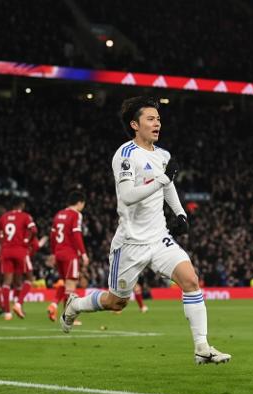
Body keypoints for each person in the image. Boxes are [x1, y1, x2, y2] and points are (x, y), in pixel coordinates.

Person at [60, 96, 231, 364]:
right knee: (116, 302)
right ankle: (75, 305)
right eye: (150, 119)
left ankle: (202, 347)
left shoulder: (162, 155)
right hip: (130, 243)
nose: (157, 123)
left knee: (191, 280)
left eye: (158, 119)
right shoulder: (126, 155)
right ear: (134, 124)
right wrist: (162, 179)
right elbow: (128, 196)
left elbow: (168, 186)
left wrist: (180, 213)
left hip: (159, 238)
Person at [46, 191, 90, 321]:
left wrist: (53, 253)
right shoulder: (76, 215)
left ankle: (54, 305)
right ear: (80, 203)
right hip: (70, 254)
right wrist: (83, 254)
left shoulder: (58, 215)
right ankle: (68, 317)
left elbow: (52, 236)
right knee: (71, 286)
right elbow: (76, 234)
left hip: (59, 253)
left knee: (65, 284)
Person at [0, 198, 38, 320]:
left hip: (6, 251)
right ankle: (18, 303)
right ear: (22, 205)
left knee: (7, 281)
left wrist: (3, 241)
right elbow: (34, 230)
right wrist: (26, 240)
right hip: (20, 251)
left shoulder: (4, 217)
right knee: (29, 278)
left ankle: (7, 313)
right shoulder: (25, 216)